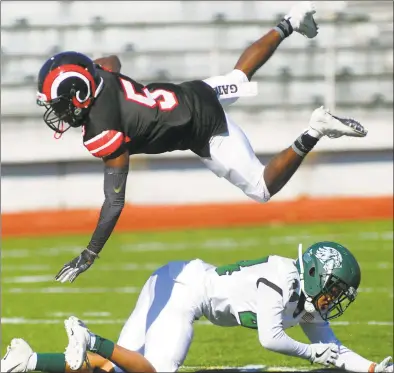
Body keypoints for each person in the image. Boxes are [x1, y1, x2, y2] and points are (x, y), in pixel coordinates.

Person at [34, 1, 368, 284]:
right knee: (238, 77)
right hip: (190, 92)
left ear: (79, 94)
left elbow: (114, 203)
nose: (58, 112)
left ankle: (315, 129)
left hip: (200, 127)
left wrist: (90, 253)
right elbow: (112, 61)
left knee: (261, 188)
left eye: (60, 104)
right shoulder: (101, 74)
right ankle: (291, 22)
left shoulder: (100, 131)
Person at [2, 242, 392, 373]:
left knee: (119, 371)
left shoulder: (304, 300)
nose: (334, 299)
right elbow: (271, 339)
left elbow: (332, 348)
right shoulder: (282, 277)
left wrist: (374, 368)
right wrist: (312, 353)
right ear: (315, 273)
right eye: (335, 289)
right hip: (184, 292)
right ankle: (90, 337)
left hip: (173, 280)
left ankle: (29, 361)